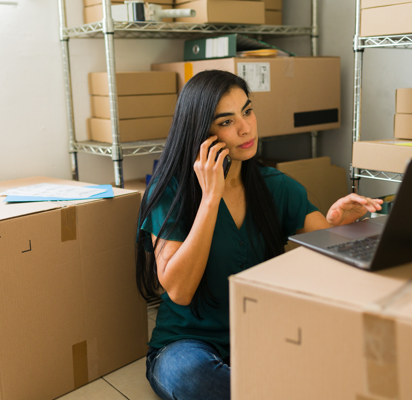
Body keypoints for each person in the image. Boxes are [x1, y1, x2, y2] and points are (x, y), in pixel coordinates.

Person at [135, 70, 382, 400]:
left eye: (247, 111)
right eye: (226, 121)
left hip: (260, 334)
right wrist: (211, 197)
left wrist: (341, 224)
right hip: (185, 344)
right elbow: (179, 290)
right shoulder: (170, 192)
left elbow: (329, 253)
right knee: (188, 378)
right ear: (201, 132)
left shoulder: (276, 186)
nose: (245, 127)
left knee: (346, 353)